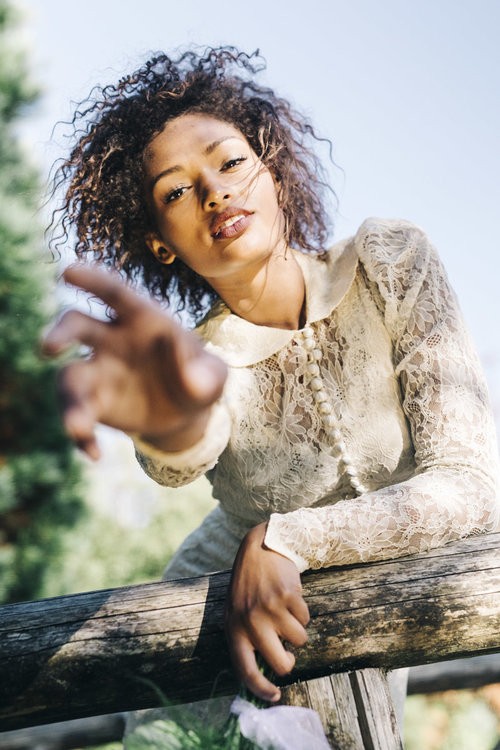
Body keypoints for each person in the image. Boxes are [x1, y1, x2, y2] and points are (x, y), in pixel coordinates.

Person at [44, 47, 500, 715]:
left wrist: (286, 538)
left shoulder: (391, 261)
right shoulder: (196, 363)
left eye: (229, 162)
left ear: (275, 175)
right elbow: (185, 439)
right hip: (210, 621)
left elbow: (473, 486)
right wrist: (169, 423)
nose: (214, 192)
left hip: (342, 619)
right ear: (160, 242)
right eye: (175, 190)